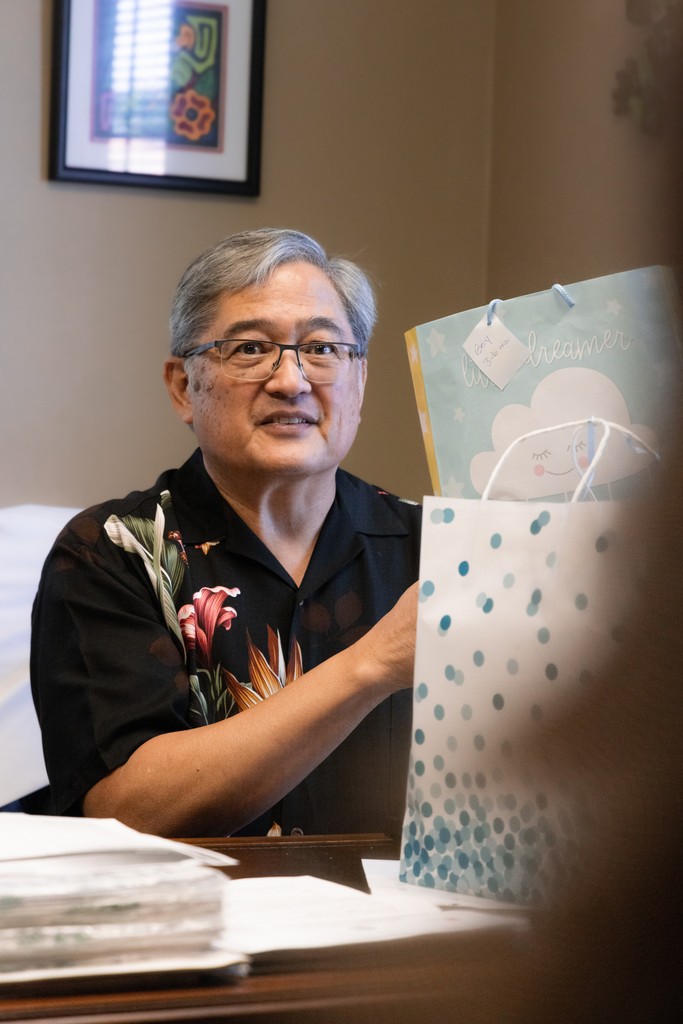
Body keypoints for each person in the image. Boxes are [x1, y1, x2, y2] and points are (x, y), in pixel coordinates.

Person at [30, 228, 421, 839]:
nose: (292, 381)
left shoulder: (437, 550)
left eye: (321, 349)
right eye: (249, 349)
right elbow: (126, 813)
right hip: (195, 927)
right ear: (184, 387)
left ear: (359, 381)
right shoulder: (113, 553)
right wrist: (372, 665)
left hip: (418, 926)